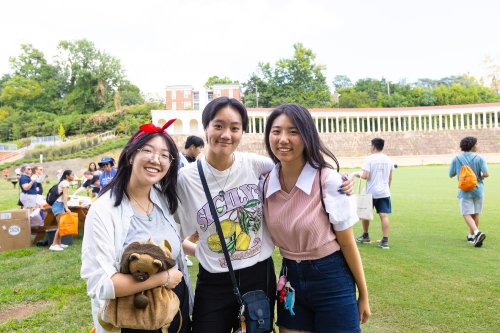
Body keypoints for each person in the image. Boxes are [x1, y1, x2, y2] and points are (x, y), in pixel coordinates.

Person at [175, 97, 353, 332]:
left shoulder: (256, 165)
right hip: (214, 280)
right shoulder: (186, 179)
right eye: (218, 126)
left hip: (258, 274)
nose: (226, 134)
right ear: (205, 127)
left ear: (242, 132)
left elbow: (297, 164)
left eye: (235, 128)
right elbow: (174, 232)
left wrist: (337, 177)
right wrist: (200, 251)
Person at [262, 103, 370, 333]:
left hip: (331, 278)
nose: (283, 139)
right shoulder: (264, 183)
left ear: (307, 135)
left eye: (293, 131)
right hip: (289, 278)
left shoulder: (329, 181)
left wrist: (363, 294)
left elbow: (347, 242)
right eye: (276, 131)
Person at [81, 122, 192, 333]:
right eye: (148, 151)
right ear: (130, 156)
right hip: (133, 319)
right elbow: (102, 285)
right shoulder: (103, 211)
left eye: (164, 155)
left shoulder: (164, 200)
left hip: (176, 312)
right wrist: (164, 278)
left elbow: (169, 246)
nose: (155, 160)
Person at [354, 138, 394, 249]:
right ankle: (385, 240)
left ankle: (365, 235)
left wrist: (356, 174)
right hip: (384, 192)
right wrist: (387, 189)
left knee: (366, 213)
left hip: (371, 191)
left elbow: (366, 176)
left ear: (373, 146)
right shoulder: (388, 159)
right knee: (384, 215)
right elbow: (390, 178)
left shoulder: (369, 159)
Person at [448, 136, 489, 247]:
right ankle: (471, 237)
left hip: (464, 190)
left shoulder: (456, 158)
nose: (477, 146)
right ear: (472, 146)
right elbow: (486, 174)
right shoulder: (479, 158)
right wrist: (477, 176)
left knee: (466, 213)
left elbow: (451, 174)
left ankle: (476, 232)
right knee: (475, 213)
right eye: (476, 144)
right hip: (478, 189)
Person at [178, 135, 205, 267]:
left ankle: (184, 254)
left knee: (196, 233)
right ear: (193, 147)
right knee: (184, 231)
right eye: (199, 147)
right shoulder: (179, 161)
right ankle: (181, 254)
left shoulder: (195, 162)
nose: (200, 151)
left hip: (192, 202)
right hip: (181, 204)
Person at [49, 170, 75, 251]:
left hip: (57, 204)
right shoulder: (65, 183)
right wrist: (66, 207)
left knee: (60, 225)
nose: (73, 176)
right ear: (67, 176)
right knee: (61, 226)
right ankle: (53, 244)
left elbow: (64, 196)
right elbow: (64, 196)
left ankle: (59, 243)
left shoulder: (63, 182)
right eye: (72, 175)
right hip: (58, 205)